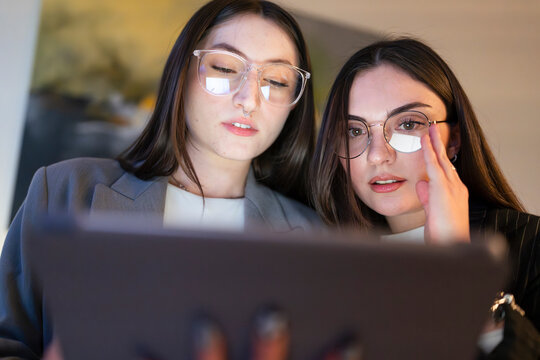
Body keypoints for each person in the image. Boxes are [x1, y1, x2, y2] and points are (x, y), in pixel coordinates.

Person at [0, 0, 321, 357]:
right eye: (226, 68)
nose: (249, 99)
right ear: (182, 73)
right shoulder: (64, 190)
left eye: (276, 80)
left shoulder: (312, 239)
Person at [310, 37, 540, 358]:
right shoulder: (319, 263)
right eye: (355, 130)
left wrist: (463, 272)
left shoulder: (532, 245)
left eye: (407, 124)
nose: (378, 156)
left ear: (454, 140)